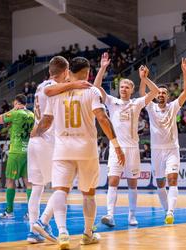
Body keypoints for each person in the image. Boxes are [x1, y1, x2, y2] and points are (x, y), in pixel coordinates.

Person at [32, 56, 125, 249]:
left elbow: (46, 121)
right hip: (86, 149)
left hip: (62, 149)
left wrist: (35, 134)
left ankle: (63, 233)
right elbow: (102, 118)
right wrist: (116, 144)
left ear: (69, 72)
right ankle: (87, 233)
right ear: (87, 72)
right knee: (88, 194)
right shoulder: (90, 90)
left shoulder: (56, 92)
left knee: (60, 190)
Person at [27, 56, 92, 243]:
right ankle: (43, 222)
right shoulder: (51, 87)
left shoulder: (40, 85)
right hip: (47, 141)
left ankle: (34, 231)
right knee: (62, 186)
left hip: (35, 143)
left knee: (37, 188)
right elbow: (47, 117)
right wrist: (73, 85)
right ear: (65, 71)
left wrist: (35, 132)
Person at [95, 53, 159, 227]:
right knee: (113, 180)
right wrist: (102, 67)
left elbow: (155, 92)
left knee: (132, 182)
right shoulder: (111, 101)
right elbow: (96, 86)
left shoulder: (137, 103)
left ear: (131, 90)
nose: (123, 89)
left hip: (132, 148)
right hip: (117, 148)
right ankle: (109, 215)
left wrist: (145, 79)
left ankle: (132, 216)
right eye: (122, 87)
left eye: (126, 87)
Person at [139, 58, 186, 224]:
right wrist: (143, 79)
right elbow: (141, 95)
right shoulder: (151, 107)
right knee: (160, 183)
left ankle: (170, 212)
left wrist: (185, 72)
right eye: (158, 93)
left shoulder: (174, 106)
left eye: (163, 93)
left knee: (173, 180)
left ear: (167, 96)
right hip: (156, 151)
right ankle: (166, 209)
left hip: (172, 149)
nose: (160, 94)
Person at [0, 94, 35, 219]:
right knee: (28, 183)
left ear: (16, 103)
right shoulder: (32, 114)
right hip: (28, 150)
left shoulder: (16, 113)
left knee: (10, 181)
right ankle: (30, 213)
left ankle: (9, 212)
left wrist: (13, 110)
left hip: (16, 151)